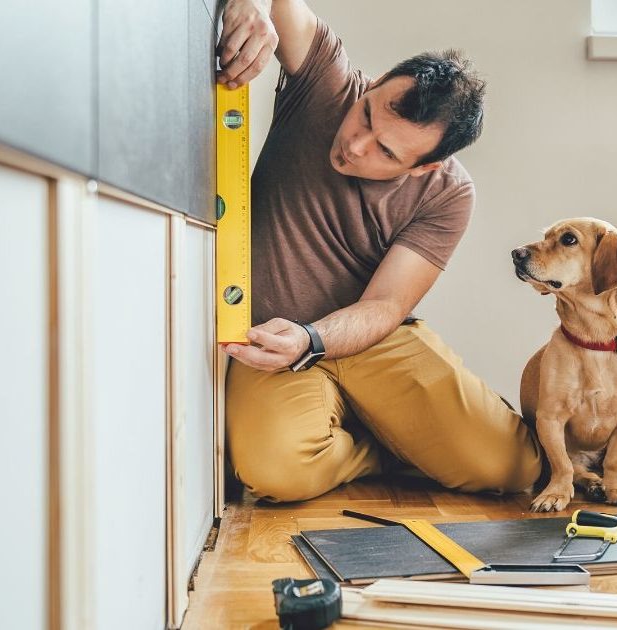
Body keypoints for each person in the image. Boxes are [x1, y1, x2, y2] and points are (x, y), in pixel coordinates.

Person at [217, 0, 541, 502]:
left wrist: (314, 337)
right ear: (375, 83)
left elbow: (386, 305)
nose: (356, 145)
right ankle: (384, 447)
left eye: (387, 151)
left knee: (511, 466)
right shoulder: (326, 82)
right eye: (367, 115)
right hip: (271, 340)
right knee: (276, 473)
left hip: (370, 336)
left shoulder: (448, 194)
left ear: (424, 168)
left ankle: (390, 433)